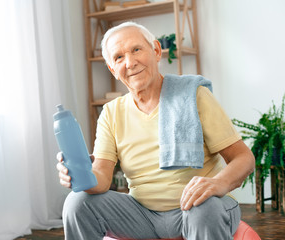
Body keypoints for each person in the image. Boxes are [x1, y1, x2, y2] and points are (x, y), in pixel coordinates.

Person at [56, 22, 255, 240]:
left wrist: (218, 183)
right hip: (142, 215)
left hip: (197, 209)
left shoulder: (194, 96)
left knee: (203, 208)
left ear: (157, 50)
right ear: (113, 69)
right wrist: (80, 175)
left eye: (136, 49)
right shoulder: (111, 113)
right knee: (77, 203)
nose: (130, 62)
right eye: (119, 57)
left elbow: (243, 158)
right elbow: (102, 177)